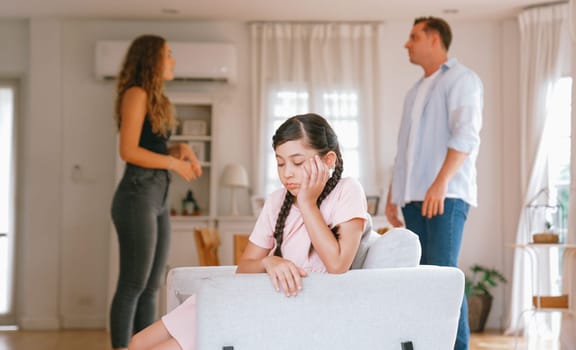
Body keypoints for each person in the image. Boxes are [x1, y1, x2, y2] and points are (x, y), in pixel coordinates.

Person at [127, 113, 367, 350]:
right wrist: (269, 262)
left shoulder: (347, 191)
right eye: (280, 163)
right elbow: (244, 268)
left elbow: (337, 265)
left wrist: (307, 203)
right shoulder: (277, 201)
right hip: (244, 296)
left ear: (328, 161)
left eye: (298, 162)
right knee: (137, 343)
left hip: (273, 310)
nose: (287, 173)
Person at [385, 17, 483, 350]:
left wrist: (440, 183)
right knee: (421, 280)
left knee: (444, 277)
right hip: (413, 199)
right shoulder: (415, 92)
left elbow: (466, 136)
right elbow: (404, 152)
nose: (407, 44)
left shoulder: (462, 79)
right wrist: (392, 197)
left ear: (435, 39)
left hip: (447, 196)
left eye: (414, 37)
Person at [110, 34, 203, 350]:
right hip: (137, 194)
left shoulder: (155, 98)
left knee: (151, 285)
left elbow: (152, 145)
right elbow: (128, 150)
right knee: (133, 284)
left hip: (157, 195)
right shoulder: (135, 94)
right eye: (168, 54)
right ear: (151, 59)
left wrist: (181, 149)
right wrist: (174, 164)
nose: (173, 60)